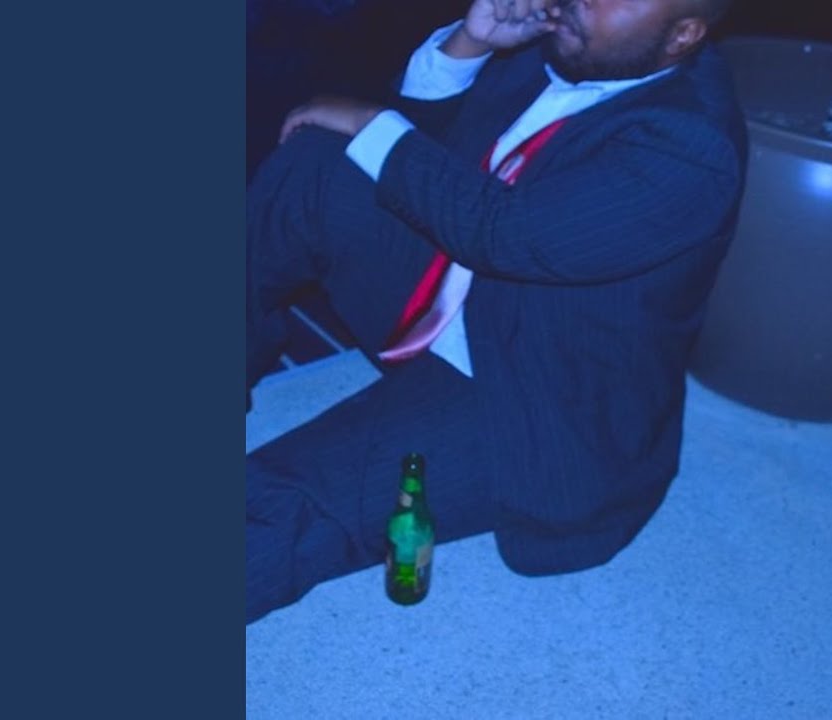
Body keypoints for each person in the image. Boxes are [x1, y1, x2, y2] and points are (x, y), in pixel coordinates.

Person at [246, 0, 746, 623]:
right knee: (319, 162)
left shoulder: (690, 147)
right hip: (459, 296)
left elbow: (503, 233)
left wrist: (372, 121)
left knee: (288, 496)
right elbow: (425, 153)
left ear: (683, 35)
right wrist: (471, 42)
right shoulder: (563, 47)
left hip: (531, 392)